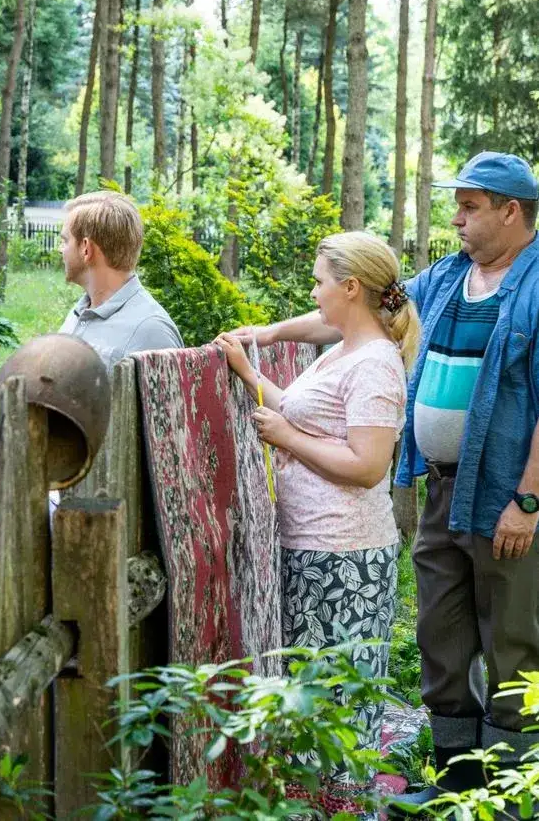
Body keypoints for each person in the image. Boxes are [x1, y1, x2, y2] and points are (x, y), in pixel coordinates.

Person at [236, 151, 539, 808]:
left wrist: (528, 499)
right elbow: (360, 312)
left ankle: (510, 795)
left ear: (511, 212)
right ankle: (455, 779)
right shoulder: (449, 277)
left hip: (505, 495)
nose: (456, 219)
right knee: (441, 632)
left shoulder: (537, 287)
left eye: (469, 207)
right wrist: (269, 332)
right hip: (441, 487)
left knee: (512, 642)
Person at [215, 231, 420, 813]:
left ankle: (343, 810)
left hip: (344, 558)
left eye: (319, 282)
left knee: (335, 708)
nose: (313, 292)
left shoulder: (375, 365)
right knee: (311, 701)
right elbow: (299, 412)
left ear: (350, 288)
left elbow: (368, 466)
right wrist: (249, 369)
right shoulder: (346, 350)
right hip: (318, 550)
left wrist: (287, 439)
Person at [57, 190, 182, 368]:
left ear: (86, 248)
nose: (60, 250)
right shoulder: (81, 311)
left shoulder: (152, 332)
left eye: (65, 241)